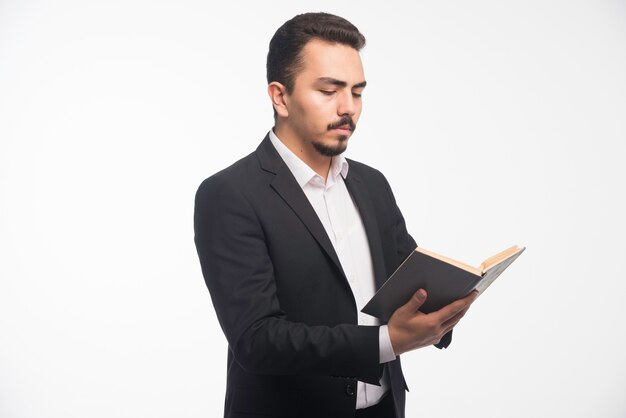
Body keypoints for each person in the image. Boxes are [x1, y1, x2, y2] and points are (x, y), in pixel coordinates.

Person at [194, 12, 478, 418]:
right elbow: (256, 341)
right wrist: (388, 342)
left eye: (357, 92)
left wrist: (449, 306)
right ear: (280, 97)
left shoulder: (372, 184)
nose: (348, 108)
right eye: (329, 90)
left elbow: (409, 282)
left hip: (384, 409)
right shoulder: (228, 194)